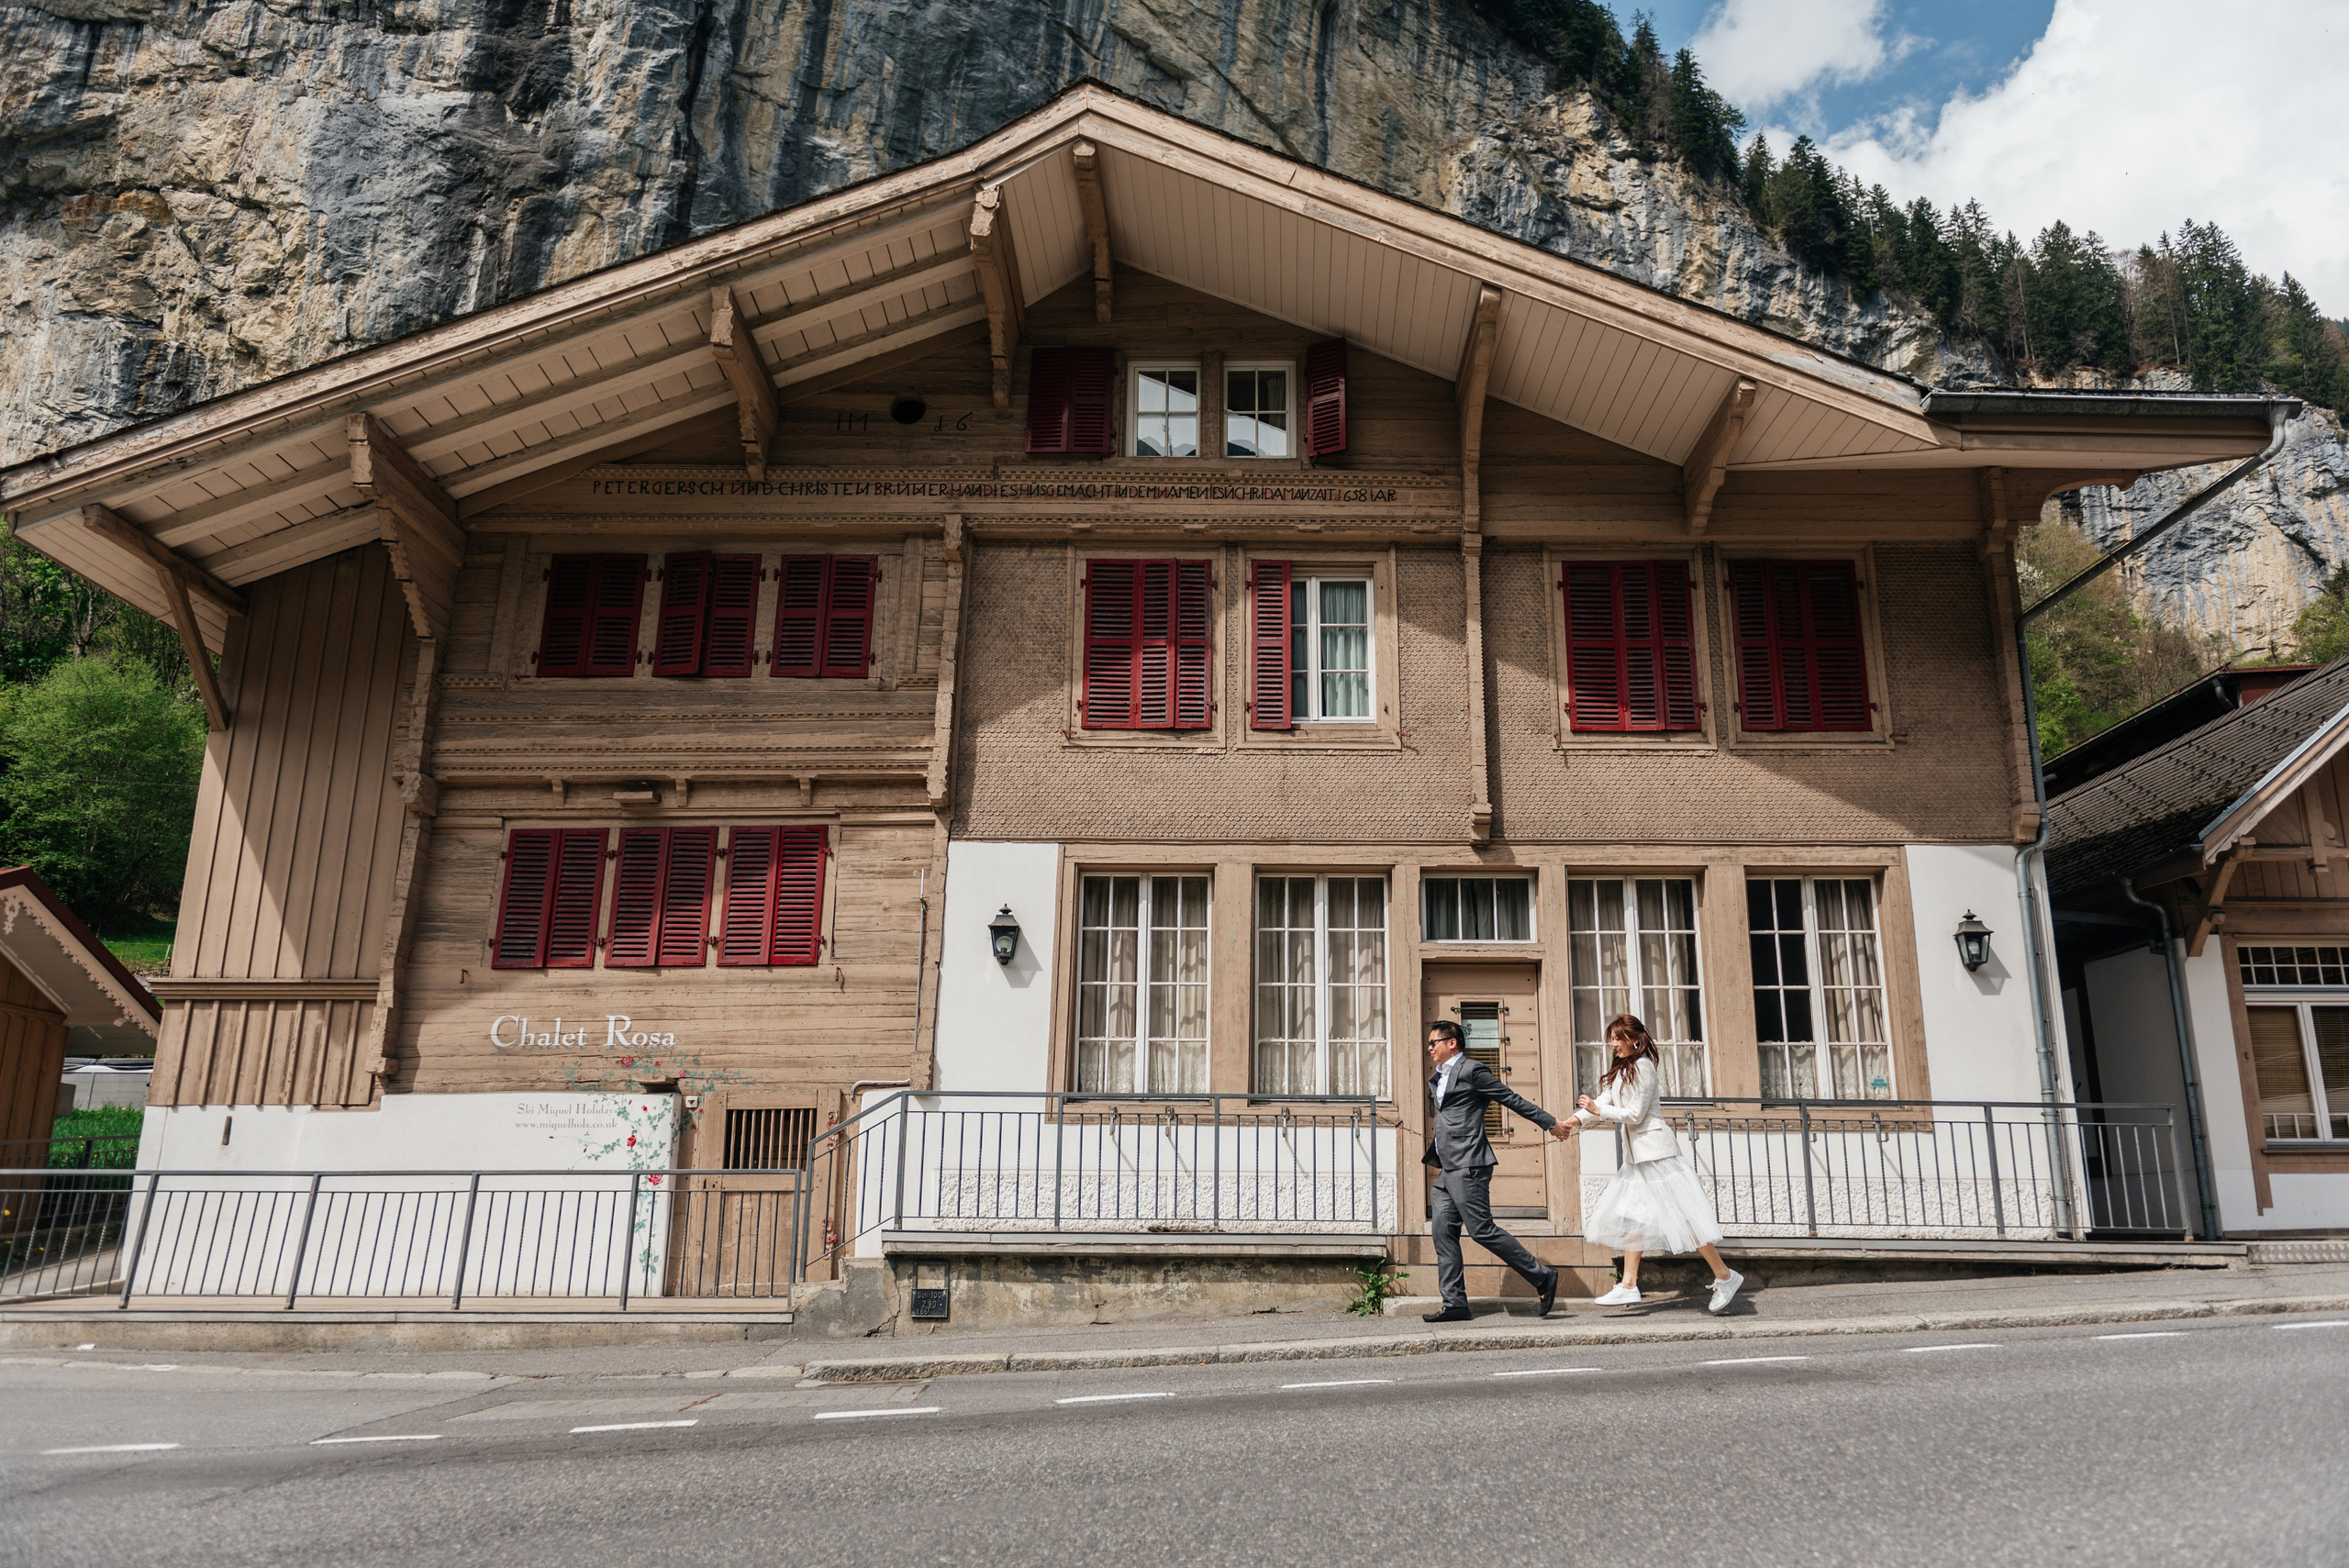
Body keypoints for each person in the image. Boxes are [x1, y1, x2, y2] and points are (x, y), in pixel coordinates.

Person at [1561, 1013, 1745, 1314]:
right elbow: (1604, 1099)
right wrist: (1573, 1121)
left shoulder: (1644, 1067)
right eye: (1612, 1038)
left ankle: (1725, 1276)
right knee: (1635, 1217)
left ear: (1635, 1039)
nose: (1614, 1044)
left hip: (1657, 1154)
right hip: (1640, 1159)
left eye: (1619, 1038)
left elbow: (1635, 1114)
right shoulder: (1623, 1070)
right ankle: (1630, 1284)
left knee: (1685, 1218)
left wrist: (1599, 1110)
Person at [1420, 1018, 1575, 1324]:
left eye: (1432, 1043)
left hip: (1469, 1164)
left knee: (1481, 1230)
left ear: (1452, 1042)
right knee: (1442, 1233)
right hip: (1447, 1169)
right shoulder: (1438, 1078)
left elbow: (1511, 1099)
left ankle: (1542, 1276)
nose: (1429, 1049)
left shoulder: (1473, 1071)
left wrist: (1551, 1123)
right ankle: (1455, 1304)